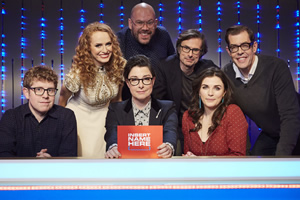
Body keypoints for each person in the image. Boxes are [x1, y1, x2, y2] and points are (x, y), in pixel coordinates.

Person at [223, 25, 300, 155]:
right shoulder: (227, 75)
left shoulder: (276, 67)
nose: (240, 51)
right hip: (271, 133)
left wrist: (281, 158)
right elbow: (232, 116)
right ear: (228, 51)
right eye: (234, 47)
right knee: (256, 162)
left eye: (245, 45)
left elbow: (290, 116)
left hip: (295, 126)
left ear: (254, 47)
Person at [58, 22, 126, 158]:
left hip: (105, 121)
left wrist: (119, 125)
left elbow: (117, 100)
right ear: (88, 48)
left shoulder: (120, 66)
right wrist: (62, 127)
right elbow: (62, 99)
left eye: (108, 44)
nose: (105, 50)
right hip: (79, 122)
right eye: (98, 45)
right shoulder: (78, 72)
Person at [152, 29, 217, 155]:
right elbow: (158, 101)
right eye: (186, 48)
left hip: (203, 126)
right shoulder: (165, 66)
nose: (190, 54)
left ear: (201, 52)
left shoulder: (208, 68)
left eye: (195, 50)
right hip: (175, 125)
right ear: (179, 49)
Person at [104, 55, 177, 159]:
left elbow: (170, 131)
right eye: (134, 80)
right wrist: (113, 148)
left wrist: (168, 147)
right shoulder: (115, 109)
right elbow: (112, 134)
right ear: (128, 83)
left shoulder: (167, 108)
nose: (141, 85)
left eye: (146, 79)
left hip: (158, 167)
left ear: (153, 81)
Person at [0, 65, 77, 157]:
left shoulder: (66, 117)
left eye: (50, 90)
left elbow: (69, 158)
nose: (45, 95)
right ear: (26, 93)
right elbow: (4, 157)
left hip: (55, 171)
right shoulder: (11, 117)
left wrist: (52, 162)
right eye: (39, 89)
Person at [182, 67, 248, 156]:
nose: (210, 93)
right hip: (196, 170)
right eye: (205, 87)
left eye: (217, 88)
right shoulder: (188, 116)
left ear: (224, 92)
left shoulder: (232, 113)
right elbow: (187, 155)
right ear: (199, 91)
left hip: (227, 170)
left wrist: (202, 163)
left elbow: (238, 156)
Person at [117, 2, 175, 100]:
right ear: (130, 24)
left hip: (160, 101)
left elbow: (173, 66)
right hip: (129, 102)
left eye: (149, 22)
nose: (145, 28)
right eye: (139, 22)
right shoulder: (119, 40)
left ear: (155, 23)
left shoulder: (163, 35)